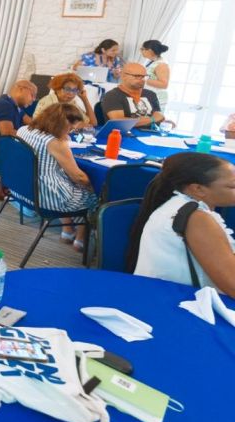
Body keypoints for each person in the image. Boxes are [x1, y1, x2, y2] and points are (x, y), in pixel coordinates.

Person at [126, 153, 235, 294]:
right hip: (178, 299)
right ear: (198, 189)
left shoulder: (179, 204)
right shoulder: (197, 219)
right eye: (232, 186)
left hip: (159, 293)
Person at [17, 103, 98, 251]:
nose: (71, 131)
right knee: (94, 195)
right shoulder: (55, 143)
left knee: (67, 184)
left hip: (22, 189)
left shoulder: (23, 130)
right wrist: (94, 184)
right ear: (61, 124)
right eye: (70, 128)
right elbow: (78, 177)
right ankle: (81, 240)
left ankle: (67, 231)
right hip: (45, 197)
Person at [0, 80, 37, 170]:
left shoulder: (13, 105)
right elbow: (8, 134)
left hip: (4, 151)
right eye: (32, 95)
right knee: (37, 166)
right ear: (21, 89)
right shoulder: (4, 105)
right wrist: (34, 138)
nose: (33, 99)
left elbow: (31, 122)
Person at [100, 63, 165, 128]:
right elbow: (119, 122)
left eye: (144, 76)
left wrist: (157, 118)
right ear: (123, 76)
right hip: (125, 133)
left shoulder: (151, 94)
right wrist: (152, 119)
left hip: (152, 133)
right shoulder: (112, 95)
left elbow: (159, 117)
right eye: (137, 76)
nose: (142, 79)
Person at [141, 39, 170, 109]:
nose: (141, 51)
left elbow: (164, 85)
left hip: (157, 99)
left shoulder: (161, 65)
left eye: (142, 49)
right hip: (149, 97)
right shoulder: (151, 62)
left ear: (150, 50)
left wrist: (143, 79)